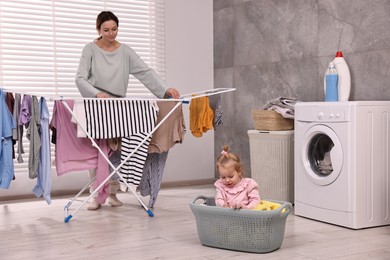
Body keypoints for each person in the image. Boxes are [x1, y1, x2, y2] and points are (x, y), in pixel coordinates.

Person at [75, 11, 180, 210]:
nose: (111, 33)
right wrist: (96, 94)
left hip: (118, 106)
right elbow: (80, 78)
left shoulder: (125, 52)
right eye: (106, 30)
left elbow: (145, 72)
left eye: (114, 29)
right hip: (96, 104)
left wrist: (165, 90)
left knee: (116, 147)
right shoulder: (89, 50)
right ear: (98, 29)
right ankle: (96, 194)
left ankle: (113, 192)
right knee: (97, 149)